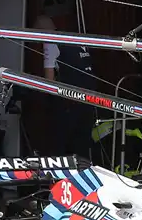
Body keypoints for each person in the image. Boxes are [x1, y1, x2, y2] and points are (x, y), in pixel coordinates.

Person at [34, 14, 97, 160]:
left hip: (68, 101)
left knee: (58, 148)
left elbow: (49, 81)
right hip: (89, 100)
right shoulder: (75, 38)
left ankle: (57, 179)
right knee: (81, 148)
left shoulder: (50, 42)